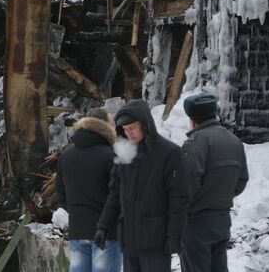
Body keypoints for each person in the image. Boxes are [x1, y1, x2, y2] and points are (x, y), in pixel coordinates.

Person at [95, 99, 189, 272]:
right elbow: (115, 194)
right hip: (129, 240)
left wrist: (174, 236)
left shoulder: (169, 153)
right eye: (125, 129)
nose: (129, 133)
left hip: (156, 241)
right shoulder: (124, 153)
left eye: (133, 128)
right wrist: (103, 226)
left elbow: (179, 200)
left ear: (145, 124)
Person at [180, 93, 249, 272]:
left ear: (192, 120)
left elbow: (184, 184)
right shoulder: (235, 141)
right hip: (222, 220)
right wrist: (219, 197)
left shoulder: (195, 142)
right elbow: (242, 180)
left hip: (195, 223)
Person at [56, 110, 122, 272]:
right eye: (112, 124)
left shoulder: (66, 156)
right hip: (106, 232)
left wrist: (76, 212)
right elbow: (119, 194)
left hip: (78, 230)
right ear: (104, 126)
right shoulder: (110, 156)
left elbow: (60, 193)